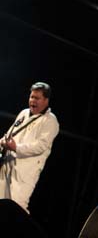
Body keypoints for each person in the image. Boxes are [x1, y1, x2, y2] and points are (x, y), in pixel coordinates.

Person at [0, 82, 60, 213]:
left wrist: (17, 147)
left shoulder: (50, 121)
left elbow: (40, 146)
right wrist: (3, 142)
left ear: (46, 100)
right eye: (31, 97)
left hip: (25, 173)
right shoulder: (24, 113)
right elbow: (11, 133)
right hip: (7, 165)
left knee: (16, 209)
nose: (32, 100)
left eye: (37, 98)